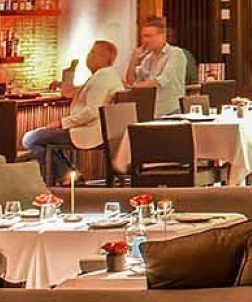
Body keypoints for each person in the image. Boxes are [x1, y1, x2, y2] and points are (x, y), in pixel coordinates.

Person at [23, 40, 120, 182]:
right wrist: (67, 76)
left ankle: (65, 174)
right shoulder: (105, 76)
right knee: (38, 139)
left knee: (30, 138)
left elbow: (92, 111)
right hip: (96, 130)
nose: (88, 56)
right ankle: (67, 174)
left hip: (90, 132)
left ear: (105, 58)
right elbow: (70, 92)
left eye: (93, 53)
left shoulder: (103, 77)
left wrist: (61, 123)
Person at [125, 16, 192, 118]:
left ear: (162, 36)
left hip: (171, 111)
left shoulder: (175, 53)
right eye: (143, 36)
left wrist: (135, 87)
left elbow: (160, 81)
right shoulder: (149, 58)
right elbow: (131, 80)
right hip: (152, 111)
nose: (145, 40)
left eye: (149, 36)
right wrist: (134, 58)